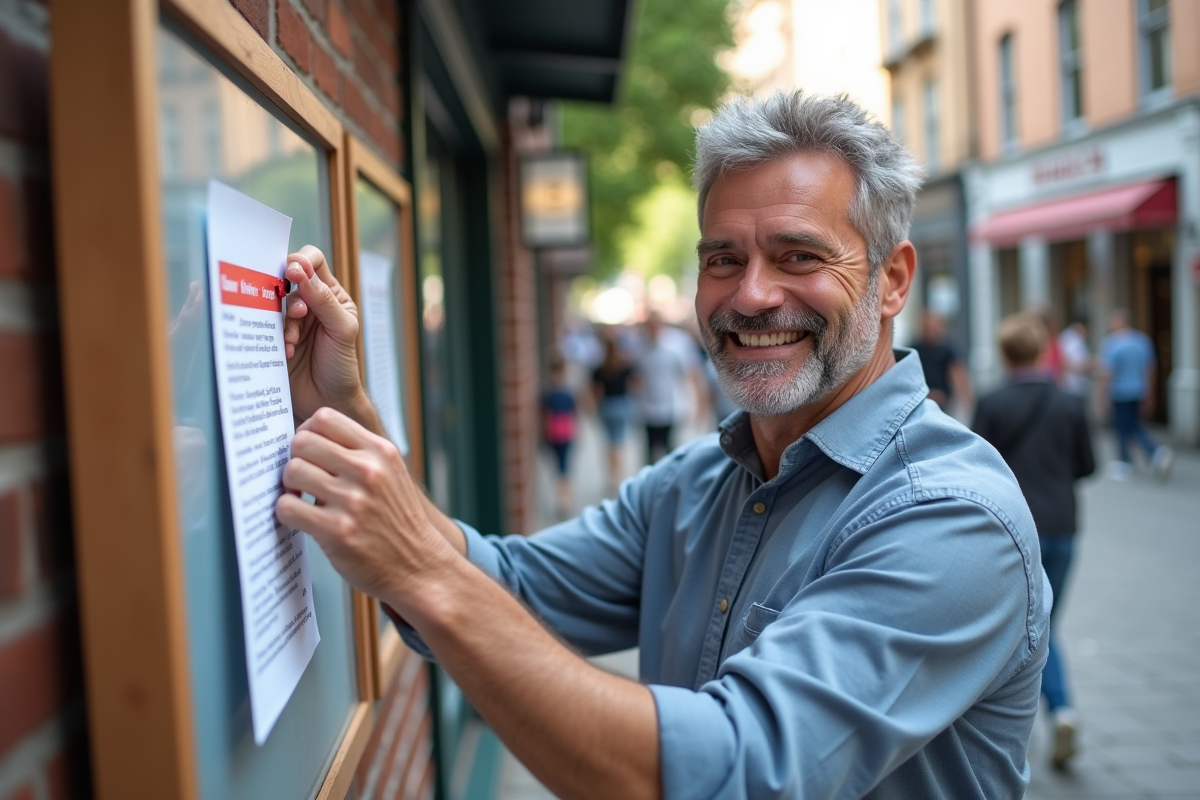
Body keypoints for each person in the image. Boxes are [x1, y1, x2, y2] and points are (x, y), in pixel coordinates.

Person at [275, 91, 1048, 799]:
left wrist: (414, 563)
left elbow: (734, 772)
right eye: (723, 260)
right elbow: (508, 584)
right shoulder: (695, 481)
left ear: (893, 280)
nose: (750, 295)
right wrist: (346, 412)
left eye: (799, 257)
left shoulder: (949, 518)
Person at [972, 312, 1095, 771]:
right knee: (1046, 624)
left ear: (1005, 353)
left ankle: (1056, 712)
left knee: (1035, 629)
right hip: (1064, 526)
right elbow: (1088, 465)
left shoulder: (994, 403)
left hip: (1014, 529)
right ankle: (1060, 710)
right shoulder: (1068, 402)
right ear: (1044, 350)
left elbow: (975, 465)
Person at [1098, 308, 1173, 480]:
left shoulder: (1111, 343)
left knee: (1123, 427)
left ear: (1120, 322)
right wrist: (1150, 391)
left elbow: (1106, 373)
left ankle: (1132, 459)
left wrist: (1102, 396)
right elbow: (1150, 369)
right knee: (1132, 424)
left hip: (1119, 391)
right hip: (1138, 390)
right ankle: (1151, 454)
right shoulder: (1142, 341)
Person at [635, 313, 696, 464]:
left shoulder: (674, 349)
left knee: (669, 448)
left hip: (670, 407)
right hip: (648, 408)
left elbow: (687, 377)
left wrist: (690, 404)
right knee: (650, 449)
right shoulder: (641, 351)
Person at [591, 337, 637, 491]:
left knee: (609, 443)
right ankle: (618, 475)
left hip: (607, 406)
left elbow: (596, 392)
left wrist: (595, 407)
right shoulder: (623, 366)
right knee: (619, 442)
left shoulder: (600, 368)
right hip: (622, 404)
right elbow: (634, 383)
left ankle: (612, 476)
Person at [908, 308, 972, 415]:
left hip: (944, 403)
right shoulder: (914, 349)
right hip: (920, 400)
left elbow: (958, 374)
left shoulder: (947, 349)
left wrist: (966, 401)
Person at [542, 358, 578, 518]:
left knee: (563, 467)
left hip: (563, 434)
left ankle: (564, 499)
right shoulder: (553, 394)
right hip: (557, 434)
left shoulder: (559, 394)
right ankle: (563, 498)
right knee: (561, 467)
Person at [1058, 316, 1092, 400]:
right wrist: (1086, 366)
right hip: (1070, 387)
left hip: (1078, 387)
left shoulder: (1078, 339)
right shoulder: (1069, 339)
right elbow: (1064, 363)